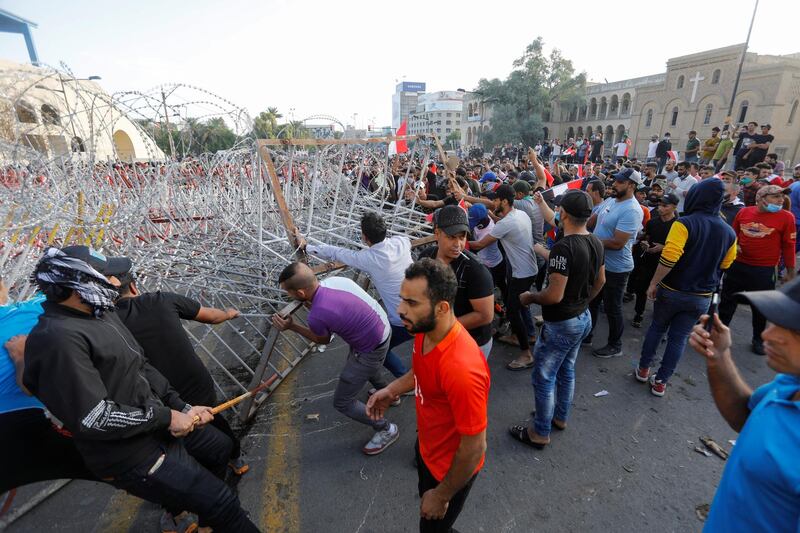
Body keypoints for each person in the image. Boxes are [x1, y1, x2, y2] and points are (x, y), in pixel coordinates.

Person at [22, 247, 259, 532]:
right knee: (222, 503)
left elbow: (141, 366)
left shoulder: (100, 314)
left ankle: (203, 515)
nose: (112, 283)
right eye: (103, 275)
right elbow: (95, 417)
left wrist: (180, 406)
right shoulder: (57, 339)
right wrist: (167, 417)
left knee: (219, 455)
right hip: (132, 455)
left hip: (157, 430)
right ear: (76, 284)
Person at [367, 259, 490, 533]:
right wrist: (392, 389)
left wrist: (442, 495)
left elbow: (474, 448)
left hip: (449, 469)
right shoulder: (426, 330)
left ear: (442, 307)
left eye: (411, 303)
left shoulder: (462, 368)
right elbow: (421, 371)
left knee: (432, 527)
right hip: (427, 449)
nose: (400, 310)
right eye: (402, 300)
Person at [688, 278, 800, 531]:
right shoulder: (790, 384)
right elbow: (747, 418)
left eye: (794, 330)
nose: (767, 334)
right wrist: (719, 357)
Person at [114, 270, 249, 475]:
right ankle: (234, 458)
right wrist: (229, 313)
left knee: (171, 433)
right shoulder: (161, 300)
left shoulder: (108, 324)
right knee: (211, 415)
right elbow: (211, 316)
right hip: (193, 382)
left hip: (154, 393)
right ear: (133, 286)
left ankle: (189, 474)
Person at [272, 262, 399, 455]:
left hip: (369, 347)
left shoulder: (317, 315)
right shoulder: (336, 281)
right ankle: (390, 394)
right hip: (382, 328)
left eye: (288, 293)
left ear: (300, 293)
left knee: (343, 402)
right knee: (366, 368)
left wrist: (292, 326)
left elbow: (323, 339)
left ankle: (386, 429)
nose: (288, 297)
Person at [510, 190, 605, 449]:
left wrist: (530, 297)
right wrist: (583, 302)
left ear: (563, 213)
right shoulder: (595, 241)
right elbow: (600, 281)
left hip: (562, 323)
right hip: (581, 318)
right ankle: (559, 417)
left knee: (543, 377)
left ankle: (540, 430)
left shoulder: (564, 247)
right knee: (566, 370)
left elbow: (553, 295)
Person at [636, 179, 737, 396]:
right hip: (701, 295)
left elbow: (670, 257)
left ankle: (644, 369)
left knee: (657, 328)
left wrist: (653, 283)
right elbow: (726, 265)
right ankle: (661, 381)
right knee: (679, 338)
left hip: (672, 290)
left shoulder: (684, 223)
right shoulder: (729, 232)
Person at [0, 277, 97, 494]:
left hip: (16, 425)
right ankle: (175, 508)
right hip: (21, 423)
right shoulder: (29, 312)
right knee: (108, 463)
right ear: (2, 286)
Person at [302, 212, 413, 379]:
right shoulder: (402, 242)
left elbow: (337, 252)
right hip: (424, 309)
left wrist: (307, 247)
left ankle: (404, 379)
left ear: (365, 238)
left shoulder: (368, 258)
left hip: (403, 320)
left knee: (376, 348)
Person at [718, 185, 797, 355]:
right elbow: (734, 235)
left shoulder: (786, 217)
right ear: (761, 198)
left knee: (760, 307)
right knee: (727, 301)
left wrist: (790, 272)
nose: (780, 200)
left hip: (764, 270)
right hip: (737, 265)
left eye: (781, 197)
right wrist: (735, 246)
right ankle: (719, 334)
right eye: (775, 197)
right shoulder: (744, 212)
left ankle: (758, 339)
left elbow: (789, 246)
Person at [470, 184, 539, 369]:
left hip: (521, 273)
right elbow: (501, 223)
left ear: (505, 201)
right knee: (519, 304)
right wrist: (491, 216)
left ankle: (526, 354)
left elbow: (478, 245)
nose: (493, 203)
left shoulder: (506, 224)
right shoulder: (519, 215)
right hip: (528, 269)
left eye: (496, 200)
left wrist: (456, 241)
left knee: (514, 310)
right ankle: (527, 334)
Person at [419, 205, 495, 357]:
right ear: (437, 233)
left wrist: (443, 327)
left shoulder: (476, 271)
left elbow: (485, 315)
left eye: (462, 237)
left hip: (471, 342)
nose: (458, 244)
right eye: (451, 237)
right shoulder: (426, 257)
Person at [585, 168, 644, 357]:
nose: (614, 184)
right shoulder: (611, 200)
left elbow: (618, 243)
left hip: (616, 268)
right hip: (598, 262)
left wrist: (589, 241)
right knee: (592, 301)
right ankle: (587, 335)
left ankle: (615, 345)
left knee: (612, 307)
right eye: (615, 180)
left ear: (631, 185)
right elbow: (593, 221)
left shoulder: (632, 210)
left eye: (619, 182)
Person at [630, 193, 679, 328]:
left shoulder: (679, 225)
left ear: (674, 207)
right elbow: (647, 237)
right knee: (641, 289)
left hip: (666, 265)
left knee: (663, 294)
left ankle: (661, 321)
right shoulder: (652, 222)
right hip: (648, 261)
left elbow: (682, 247)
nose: (660, 208)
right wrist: (645, 243)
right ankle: (639, 313)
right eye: (659, 204)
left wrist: (664, 248)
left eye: (665, 205)